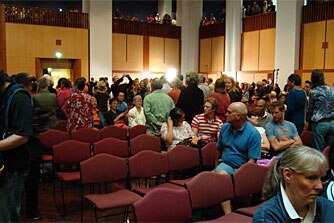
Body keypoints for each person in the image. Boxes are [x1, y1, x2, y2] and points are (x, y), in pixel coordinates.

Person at [253, 146, 334, 223]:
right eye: (311, 178)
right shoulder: (266, 217)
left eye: (322, 179)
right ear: (288, 175)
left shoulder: (328, 207)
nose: (320, 186)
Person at [215, 102, 261, 214]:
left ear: (238, 116)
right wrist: (215, 166)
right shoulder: (225, 128)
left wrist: (239, 176)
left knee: (241, 196)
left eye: (229, 112)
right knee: (221, 175)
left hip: (243, 168)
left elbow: (252, 161)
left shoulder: (253, 133)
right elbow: (218, 149)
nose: (225, 114)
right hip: (226, 165)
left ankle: (241, 206)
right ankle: (228, 214)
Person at [0, 69, 33, 222]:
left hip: (13, 165)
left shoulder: (19, 98)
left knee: (8, 214)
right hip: (6, 162)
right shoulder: (4, 95)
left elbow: (22, 136)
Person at [307, 69, 334, 151]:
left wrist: (308, 121)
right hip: (332, 122)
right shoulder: (331, 89)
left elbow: (310, 108)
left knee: (319, 151)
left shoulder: (313, 91)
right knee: (328, 150)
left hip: (319, 123)